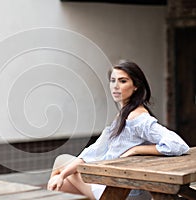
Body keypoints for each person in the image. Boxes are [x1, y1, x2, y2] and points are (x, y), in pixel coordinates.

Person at [47, 60, 190, 200]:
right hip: (119, 184)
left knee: (61, 164)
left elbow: (178, 145)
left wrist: (138, 150)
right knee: (62, 183)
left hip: (123, 191)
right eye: (113, 80)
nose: (115, 86)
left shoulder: (137, 117)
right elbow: (93, 152)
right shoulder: (124, 115)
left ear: (136, 86)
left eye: (122, 81)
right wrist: (61, 176)